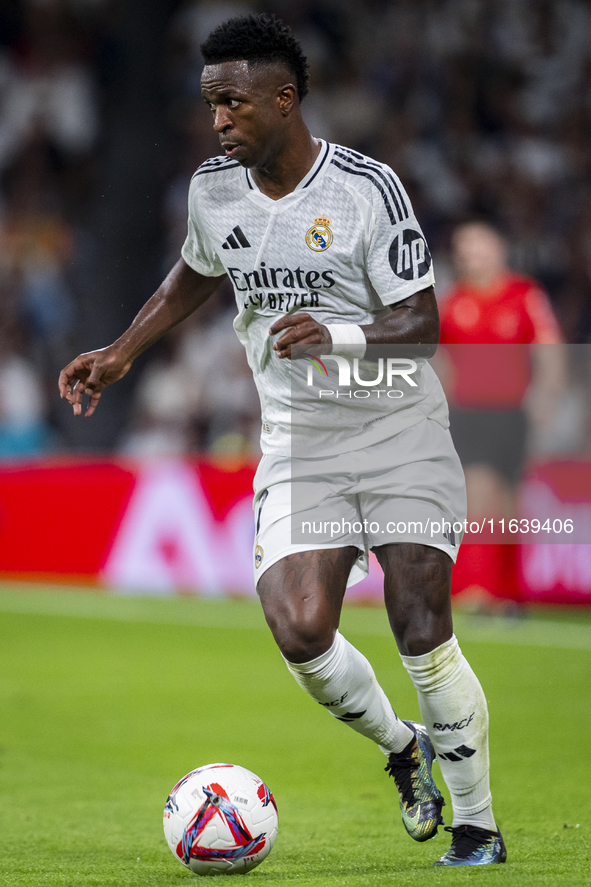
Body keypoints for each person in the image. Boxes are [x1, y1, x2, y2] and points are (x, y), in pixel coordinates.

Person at [59, 14, 505, 867]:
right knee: (301, 630)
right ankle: (403, 747)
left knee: (419, 620)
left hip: (396, 427)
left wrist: (337, 334)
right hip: (300, 444)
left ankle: (478, 825)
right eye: (210, 104)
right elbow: (196, 268)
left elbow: (421, 319)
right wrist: (120, 352)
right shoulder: (212, 189)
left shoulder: (366, 188)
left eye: (232, 103)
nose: (218, 120)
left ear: (284, 98)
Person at [439, 220, 564, 603]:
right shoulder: (452, 303)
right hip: (469, 414)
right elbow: (440, 360)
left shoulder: (524, 295)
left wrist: (546, 395)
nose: (474, 255)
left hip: (512, 414)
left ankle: (509, 591)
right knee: (478, 494)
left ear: (498, 250)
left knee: (510, 502)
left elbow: (549, 346)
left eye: (481, 246)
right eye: (467, 248)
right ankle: (476, 589)